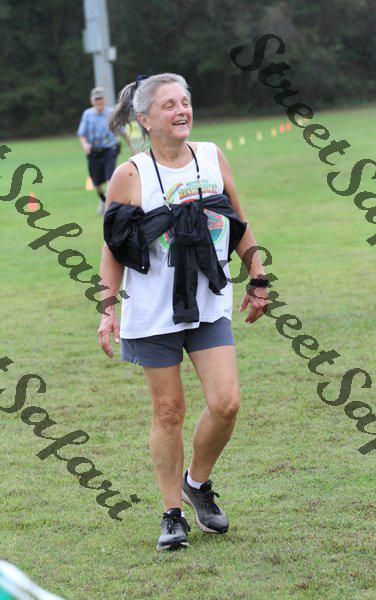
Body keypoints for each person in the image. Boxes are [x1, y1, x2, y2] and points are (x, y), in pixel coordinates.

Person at [98, 73, 269, 551]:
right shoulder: (131, 174)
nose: (182, 111)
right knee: (169, 410)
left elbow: (238, 222)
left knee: (226, 402)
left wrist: (257, 277)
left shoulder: (212, 156)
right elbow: (113, 246)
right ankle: (172, 513)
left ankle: (197, 482)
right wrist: (107, 309)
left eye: (185, 102)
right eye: (169, 105)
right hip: (154, 311)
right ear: (144, 119)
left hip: (209, 302)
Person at [77, 86, 135, 216]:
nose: (99, 101)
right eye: (96, 99)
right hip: (94, 152)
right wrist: (85, 144)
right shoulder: (87, 114)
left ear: (105, 99)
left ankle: (110, 208)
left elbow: (123, 131)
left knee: (110, 178)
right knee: (96, 184)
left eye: (101, 98)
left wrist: (132, 147)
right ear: (92, 101)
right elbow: (82, 134)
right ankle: (103, 200)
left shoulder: (112, 113)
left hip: (110, 149)